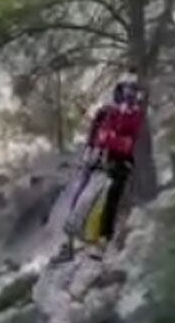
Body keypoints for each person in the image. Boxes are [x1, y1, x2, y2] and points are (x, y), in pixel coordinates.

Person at [57, 77, 147, 260]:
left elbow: (125, 141)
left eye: (131, 91)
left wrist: (110, 139)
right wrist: (94, 149)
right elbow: (98, 136)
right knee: (84, 198)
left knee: (106, 201)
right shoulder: (108, 112)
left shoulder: (134, 116)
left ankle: (100, 241)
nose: (128, 96)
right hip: (100, 160)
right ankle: (72, 242)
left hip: (117, 163)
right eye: (125, 91)